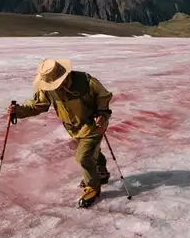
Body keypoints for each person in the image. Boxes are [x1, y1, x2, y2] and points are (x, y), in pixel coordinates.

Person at [8, 58, 114, 208]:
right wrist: (18, 111)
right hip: (73, 127)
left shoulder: (85, 81)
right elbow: (38, 105)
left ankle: (93, 187)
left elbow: (104, 96)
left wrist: (102, 112)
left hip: (93, 124)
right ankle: (101, 171)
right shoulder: (47, 89)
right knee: (90, 151)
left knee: (83, 157)